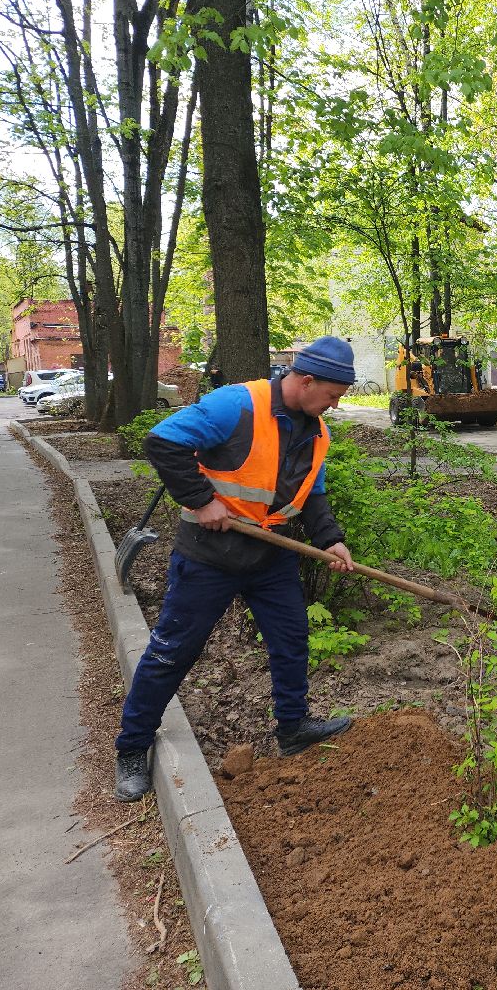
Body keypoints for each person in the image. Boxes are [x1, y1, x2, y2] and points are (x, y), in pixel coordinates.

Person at [113, 337, 359, 802]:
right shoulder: (237, 404)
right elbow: (162, 442)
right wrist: (202, 501)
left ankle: (293, 727)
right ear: (305, 381)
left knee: (291, 642)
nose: (334, 404)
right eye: (332, 394)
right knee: (172, 651)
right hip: (210, 555)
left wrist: (331, 540)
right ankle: (131, 747)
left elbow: (313, 495)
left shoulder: (316, 432)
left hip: (272, 556)